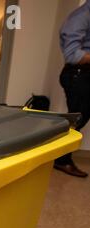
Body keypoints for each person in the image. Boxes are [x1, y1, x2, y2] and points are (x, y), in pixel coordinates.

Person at [55, 0, 90, 178]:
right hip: (78, 75)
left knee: (79, 119)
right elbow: (72, 55)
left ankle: (60, 157)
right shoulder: (81, 16)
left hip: (84, 75)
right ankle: (61, 159)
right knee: (76, 120)